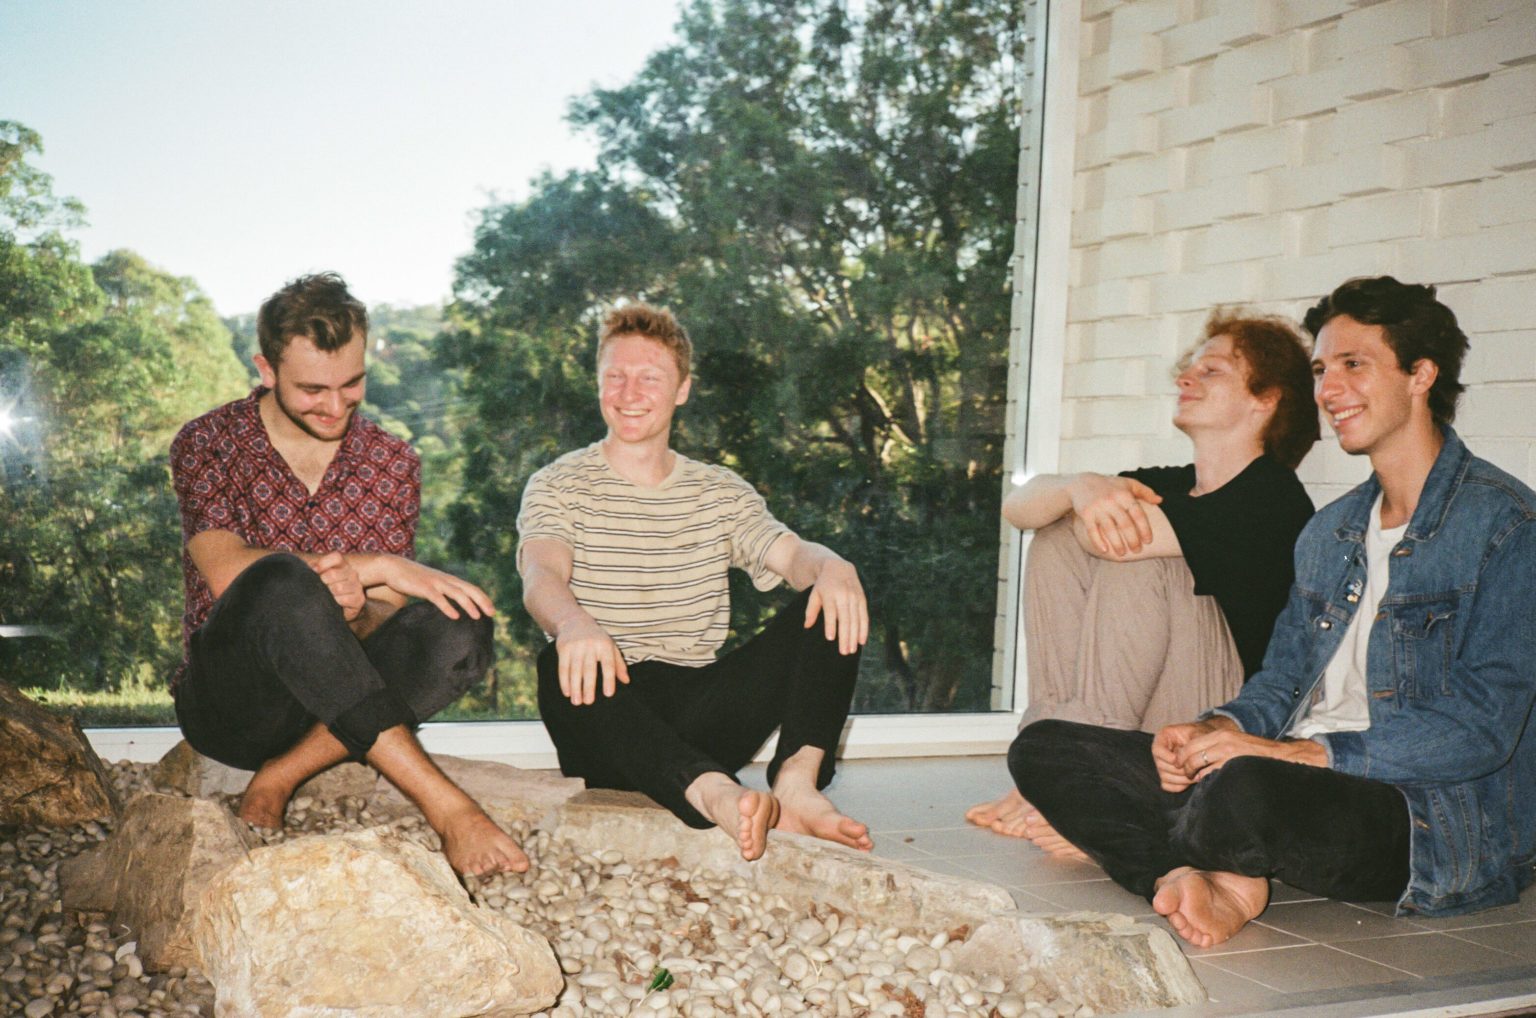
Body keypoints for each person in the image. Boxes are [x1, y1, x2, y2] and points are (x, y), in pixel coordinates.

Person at [1011, 276, 1536, 948]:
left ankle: (1172, 843)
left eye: (1353, 364)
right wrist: (1216, 727)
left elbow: (1482, 728)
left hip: (1415, 809)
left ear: (1420, 375)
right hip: (1285, 771)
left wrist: (1297, 753)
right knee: (1046, 750)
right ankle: (1183, 871)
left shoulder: (1504, 525)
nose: (1330, 389)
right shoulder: (1331, 531)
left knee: (1247, 790)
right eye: (1321, 370)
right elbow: (1282, 679)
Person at [170, 272, 527, 876]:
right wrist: (378, 567)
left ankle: (283, 775)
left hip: (328, 716)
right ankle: (449, 809)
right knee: (282, 580)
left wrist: (359, 609)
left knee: (460, 626)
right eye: (313, 389)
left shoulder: (392, 460)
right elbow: (224, 570)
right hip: (233, 707)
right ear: (266, 370)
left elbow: (385, 613)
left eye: (351, 383)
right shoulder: (208, 442)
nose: (336, 407)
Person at [517, 302, 872, 863]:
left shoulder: (718, 491)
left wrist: (833, 567)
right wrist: (573, 624)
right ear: (598, 383)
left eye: (650, 378)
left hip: (702, 710)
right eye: (616, 376)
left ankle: (797, 786)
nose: (630, 392)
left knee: (831, 598)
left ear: (682, 389)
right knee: (556, 660)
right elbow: (541, 573)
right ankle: (712, 794)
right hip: (608, 717)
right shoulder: (558, 484)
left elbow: (792, 557)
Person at [967, 311, 1319, 853]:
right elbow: (1018, 507)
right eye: (1190, 369)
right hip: (1154, 703)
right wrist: (1081, 486)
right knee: (1054, 535)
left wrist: (1089, 500)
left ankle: (1087, 784)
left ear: (1265, 399)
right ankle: (1049, 755)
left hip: (1224, 720)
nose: (1186, 378)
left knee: (1135, 554)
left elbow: (1112, 540)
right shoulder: (1173, 484)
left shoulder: (1273, 494)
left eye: (1212, 371)